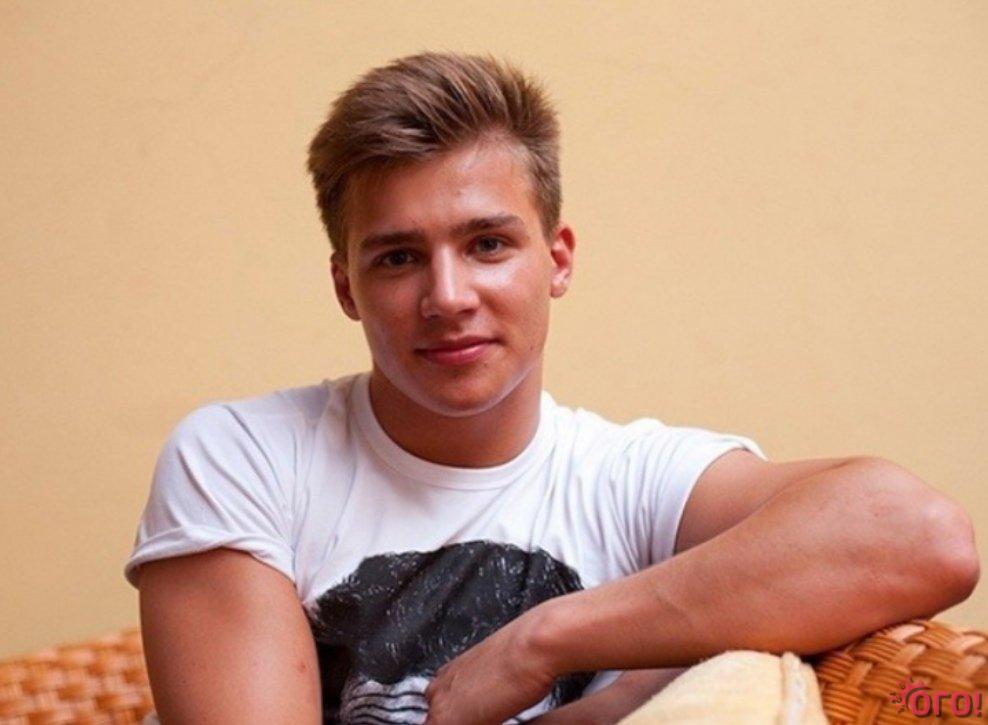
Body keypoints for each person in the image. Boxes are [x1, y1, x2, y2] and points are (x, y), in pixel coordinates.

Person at [124, 52, 979, 725]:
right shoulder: (243, 456)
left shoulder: (627, 477)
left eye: (488, 244)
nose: (448, 296)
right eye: (398, 257)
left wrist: (539, 642)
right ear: (347, 287)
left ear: (557, 259)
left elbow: (923, 535)